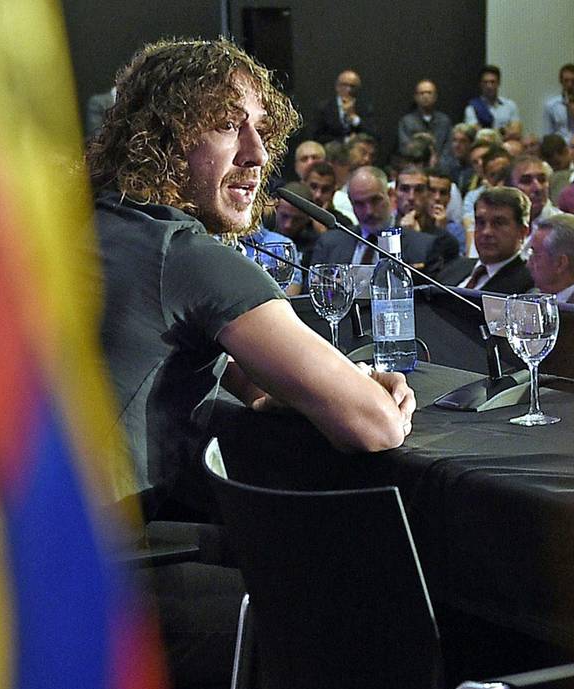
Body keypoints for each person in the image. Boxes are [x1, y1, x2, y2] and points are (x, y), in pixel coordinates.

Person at [87, 37, 415, 513]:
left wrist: (282, 391)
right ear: (161, 137)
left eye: (261, 131)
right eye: (227, 126)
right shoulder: (186, 257)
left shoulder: (97, 223)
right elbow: (375, 426)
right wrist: (373, 395)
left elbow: (240, 377)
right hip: (97, 565)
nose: (257, 155)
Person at [312, 166, 458, 273]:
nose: (369, 211)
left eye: (375, 200)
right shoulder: (329, 243)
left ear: (391, 194)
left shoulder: (423, 246)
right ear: (351, 203)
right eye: (360, 204)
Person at [435, 187, 535, 293]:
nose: (486, 232)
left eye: (498, 223)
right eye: (481, 222)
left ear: (523, 232)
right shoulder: (455, 267)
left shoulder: (529, 282)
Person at [313, 68, 378, 143]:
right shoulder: (324, 108)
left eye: (352, 86)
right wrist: (345, 141)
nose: (348, 89)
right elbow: (317, 137)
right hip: (332, 151)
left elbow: (373, 134)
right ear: (337, 86)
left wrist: (354, 119)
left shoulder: (365, 108)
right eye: (344, 85)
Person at [398, 79, 453, 157]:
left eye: (429, 93)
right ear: (416, 97)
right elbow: (404, 148)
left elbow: (449, 149)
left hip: (441, 166)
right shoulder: (406, 122)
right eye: (422, 93)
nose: (425, 96)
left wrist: (439, 166)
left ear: (435, 96)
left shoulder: (445, 121)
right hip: (415, 165)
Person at [464, 65, 520, 130]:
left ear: (499, 83)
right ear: (480, 84)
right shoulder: (472, 108)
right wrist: (504, 130)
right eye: (485, 82)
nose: (489, 86)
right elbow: (478, 133)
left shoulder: (510, 105)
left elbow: (516, 131)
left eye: (492, 82)